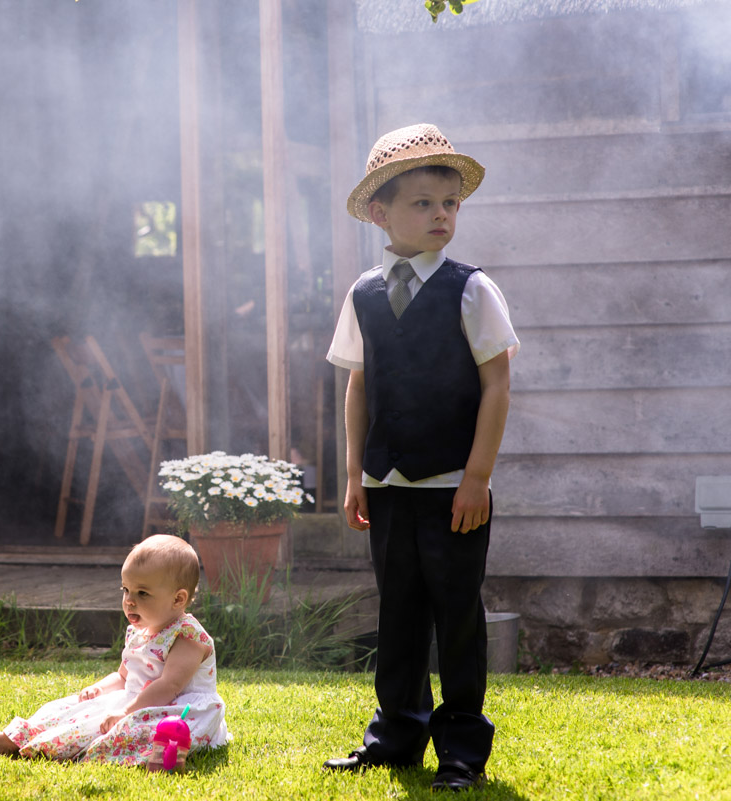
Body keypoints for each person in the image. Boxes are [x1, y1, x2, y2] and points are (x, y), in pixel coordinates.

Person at [322, 124, 519, 792]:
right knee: (398, 610)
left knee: (456, 613)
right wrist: (354, 474)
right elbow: (357, 384)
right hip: (387, 482)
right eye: (423, 203)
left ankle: (462, 749)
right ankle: (396, 735)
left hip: (452, 487)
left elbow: (497, 383)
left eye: (450, 204)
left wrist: (478, 476)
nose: (441, 215)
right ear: (381, 213)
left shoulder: (471, 289)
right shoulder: (363, 294)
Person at [0, 534, 230, 765]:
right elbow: (124, 677)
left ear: (178, 598)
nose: (129, 600)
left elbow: (169, 686)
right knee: (70, 709)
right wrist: (100, 689)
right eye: (125, 589)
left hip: (173, 711)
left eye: (142, 593)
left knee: (126, 731)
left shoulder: (188, 636)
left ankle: (57, 749)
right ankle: (16, 737)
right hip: (135, 700)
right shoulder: (139, 632)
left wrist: (126, 712)